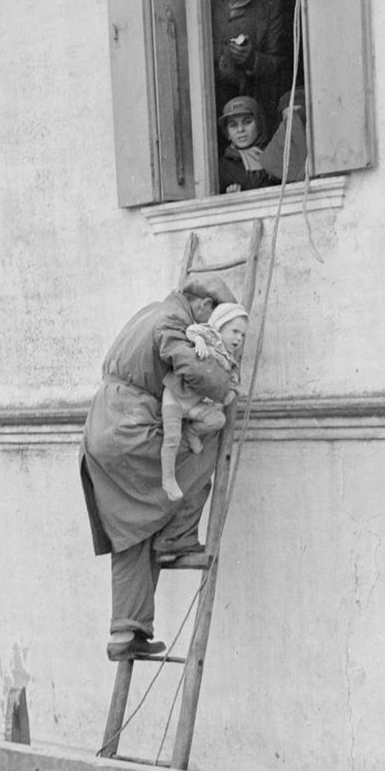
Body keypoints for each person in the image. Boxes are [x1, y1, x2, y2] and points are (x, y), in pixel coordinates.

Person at [81, 274, 244, 661]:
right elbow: (186, 364)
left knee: (130, 527)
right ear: (203, 306)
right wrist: (227, 386)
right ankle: (178, 536)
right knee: (205, 446)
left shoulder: (149, 311)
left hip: (102, 427)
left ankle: (126, 632)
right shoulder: (173, 320)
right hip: (128, 428)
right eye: (212, 318)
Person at [160, 302, 248, 502]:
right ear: (221, 325)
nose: (238, 338)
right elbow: (192, 330)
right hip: (174, 396)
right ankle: (168, 479)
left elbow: (233, 384)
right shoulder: (211, 337)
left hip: (193, 405)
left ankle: (191, 431)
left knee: (218, 419)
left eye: (242, 335)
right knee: (171, 438)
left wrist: (231, 392)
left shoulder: (229, 361)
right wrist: (199, 341)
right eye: (235, 331)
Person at [212, 0, 283, 128]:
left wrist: (252, 59)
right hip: (203, 100)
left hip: (244, 107)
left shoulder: (269, 6)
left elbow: (277, 64)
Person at [218, 96, 276, 194]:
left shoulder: (274, 155)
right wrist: (229, 197)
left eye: (247, 122)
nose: (240, 129)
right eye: (233, 125)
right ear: (227, 132)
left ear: (259, 125)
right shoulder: (222, 167)